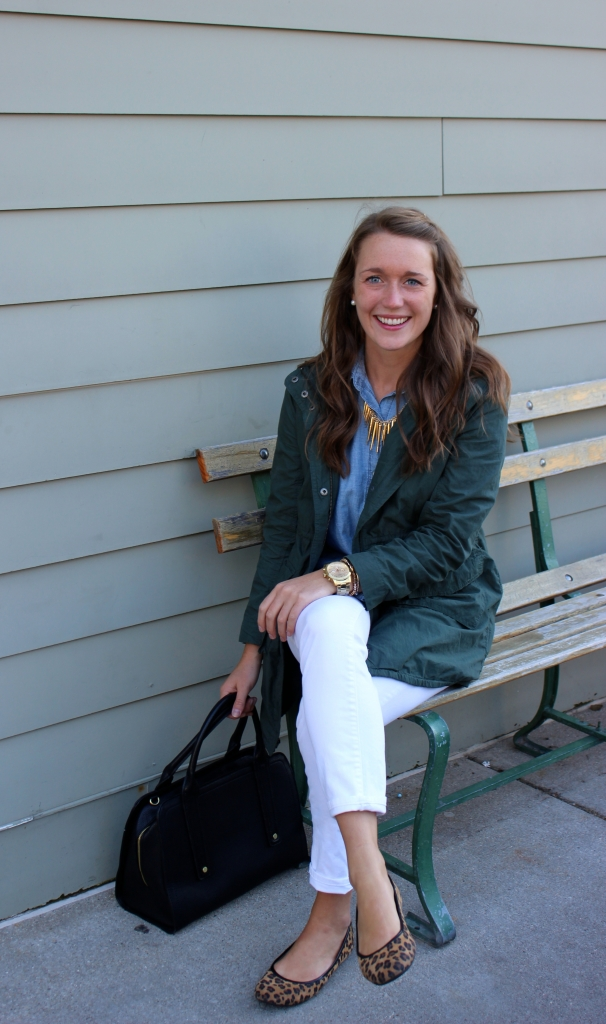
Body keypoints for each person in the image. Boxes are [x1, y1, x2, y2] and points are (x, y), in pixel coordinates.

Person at [220, 206, 510, 1007]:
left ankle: (333, 908)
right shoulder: (310, 390)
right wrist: (252, 644)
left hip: (435, 607)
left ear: (439, 291)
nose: (392, 297)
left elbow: (450, 543)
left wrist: (333, 579)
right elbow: (285, 528)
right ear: (350, 291)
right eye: (374, 277)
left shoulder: (473, 391)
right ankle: (371, 878)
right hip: (333, 619)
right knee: (329, 623)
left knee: (321, 720)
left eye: (411, 279)